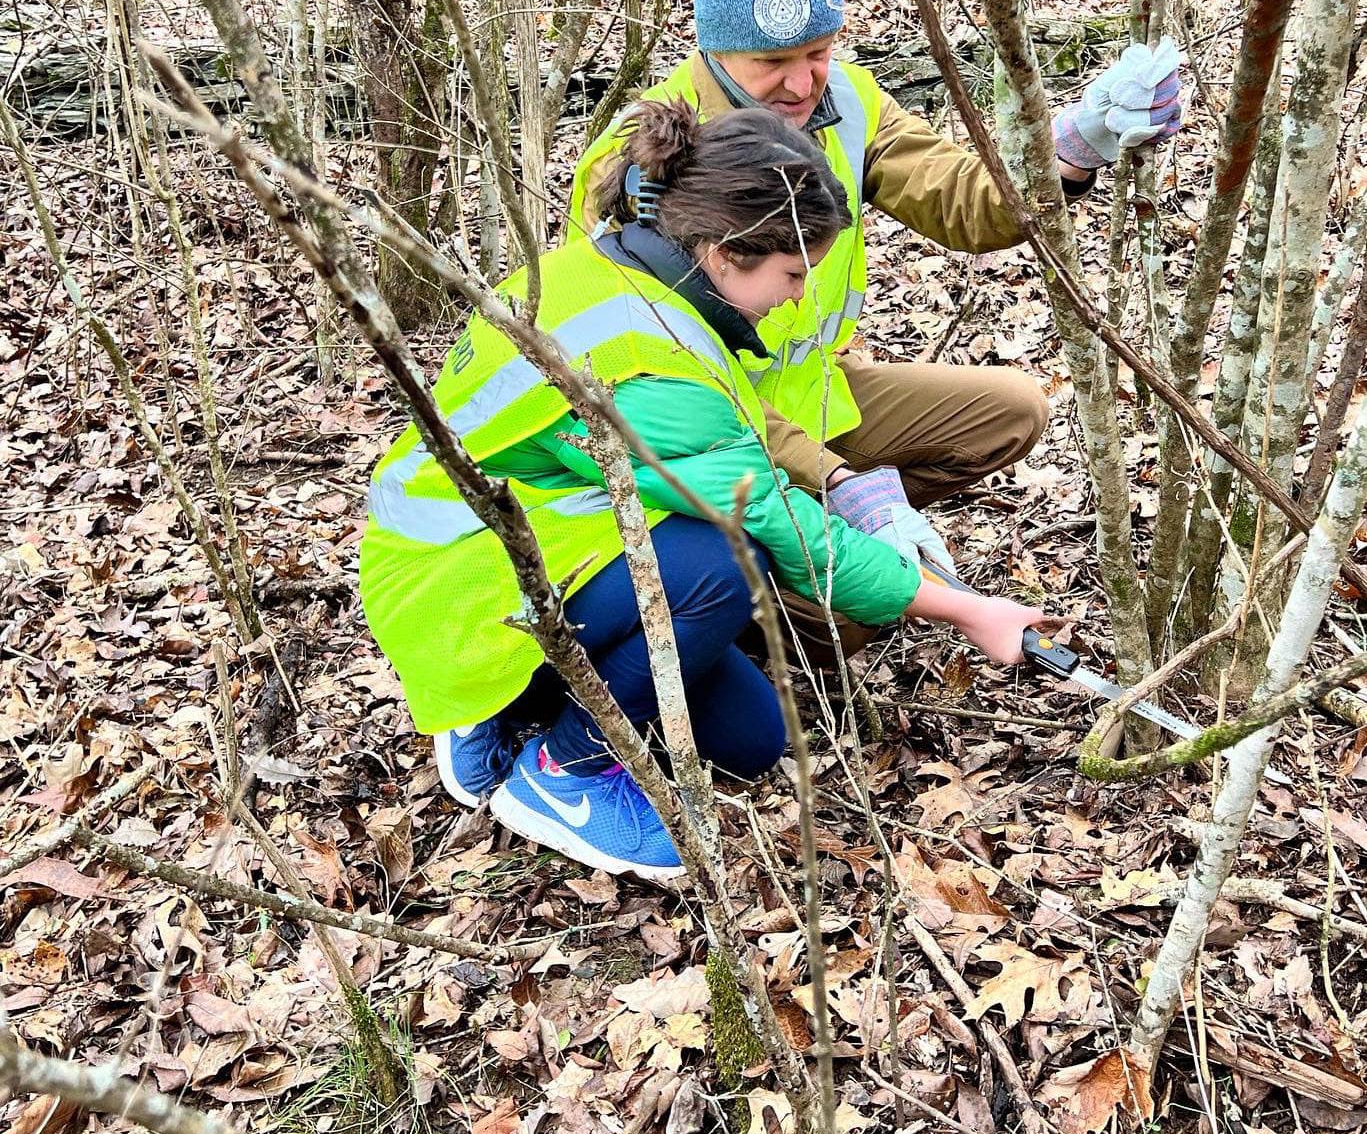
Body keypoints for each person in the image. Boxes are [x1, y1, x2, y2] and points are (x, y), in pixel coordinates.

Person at [360, 101, 1048, 882]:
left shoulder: (620, 276)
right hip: (449, 581)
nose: (796, 298)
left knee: (752, 739)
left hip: (521, 541)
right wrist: (966, 609)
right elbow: (780, 522)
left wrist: (850, 487)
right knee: (727, 560)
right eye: (792, 273)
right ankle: (563, 771)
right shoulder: (652, 357)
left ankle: (503, 701)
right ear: (724, 254)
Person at [568, 0, 1183, 651]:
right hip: (701, 436)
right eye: (772, 61)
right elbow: (648, 391)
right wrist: (836, 486)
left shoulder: (849, 101)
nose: (801, 84)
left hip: (822, 396)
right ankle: (760, 618)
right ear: (712, 48)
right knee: (859, 608)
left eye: (818, 52)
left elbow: (960, 198)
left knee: (1013, 410)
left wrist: (1069, 148)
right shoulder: (642, 163)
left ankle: (824, 553)